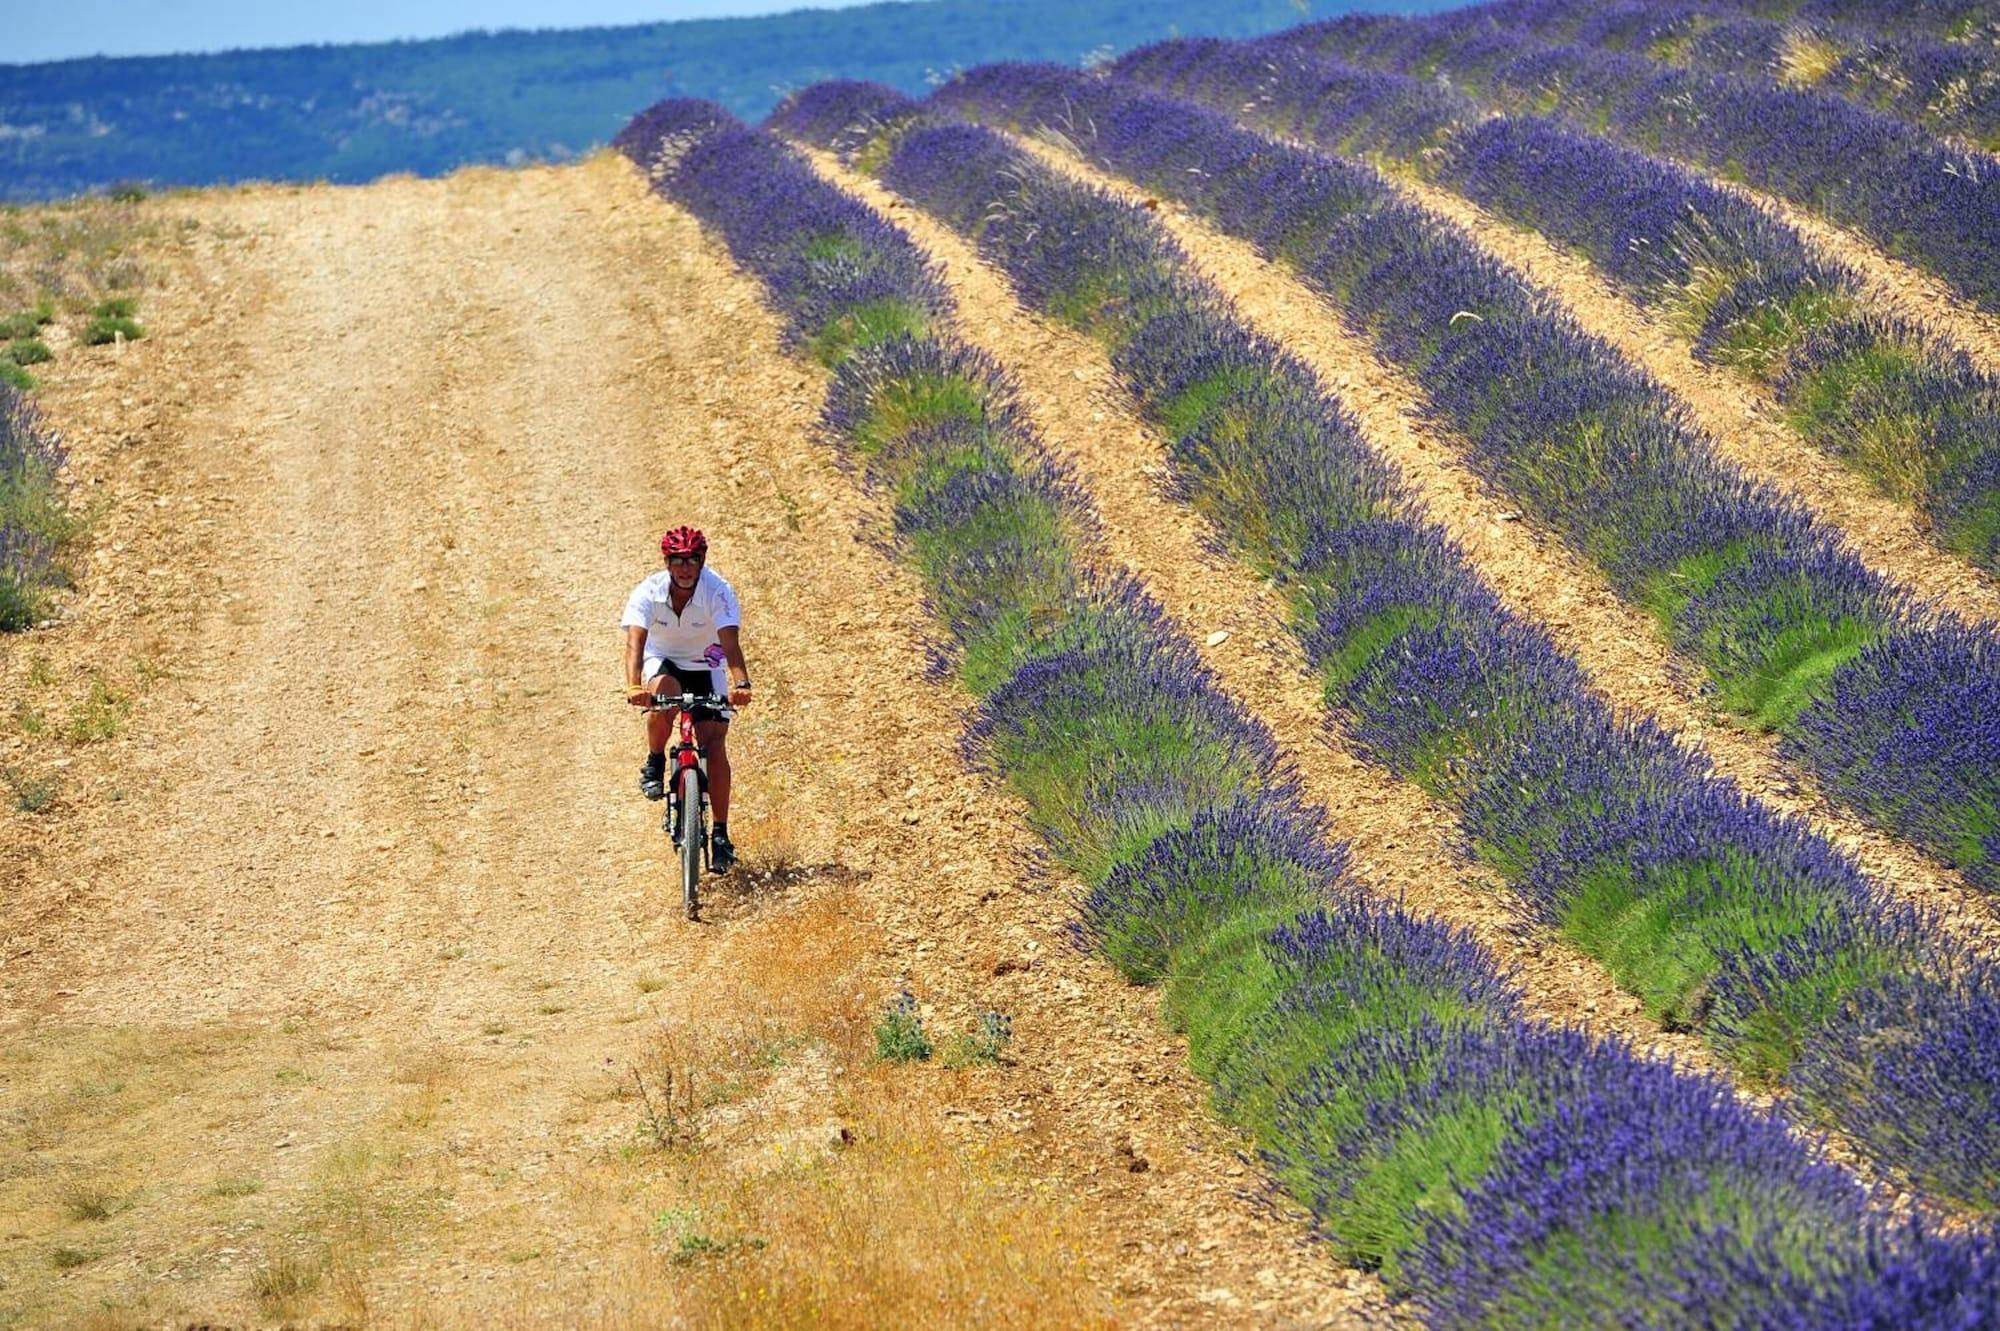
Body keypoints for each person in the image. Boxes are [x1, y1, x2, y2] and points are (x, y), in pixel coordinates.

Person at [622, 526, 752, 873]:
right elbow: (635, 643)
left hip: (706, 662)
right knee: (663, 693)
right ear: (667, 562)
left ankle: (721, 833)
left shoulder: (718, 591)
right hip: (662, 657)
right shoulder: (648, 592)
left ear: (702, 561)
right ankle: (654, 761)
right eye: (677, 560)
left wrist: (741, 682)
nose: (685, 568)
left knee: (715, 741)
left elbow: (730, 643)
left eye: (692, 560)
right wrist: (635, 686)